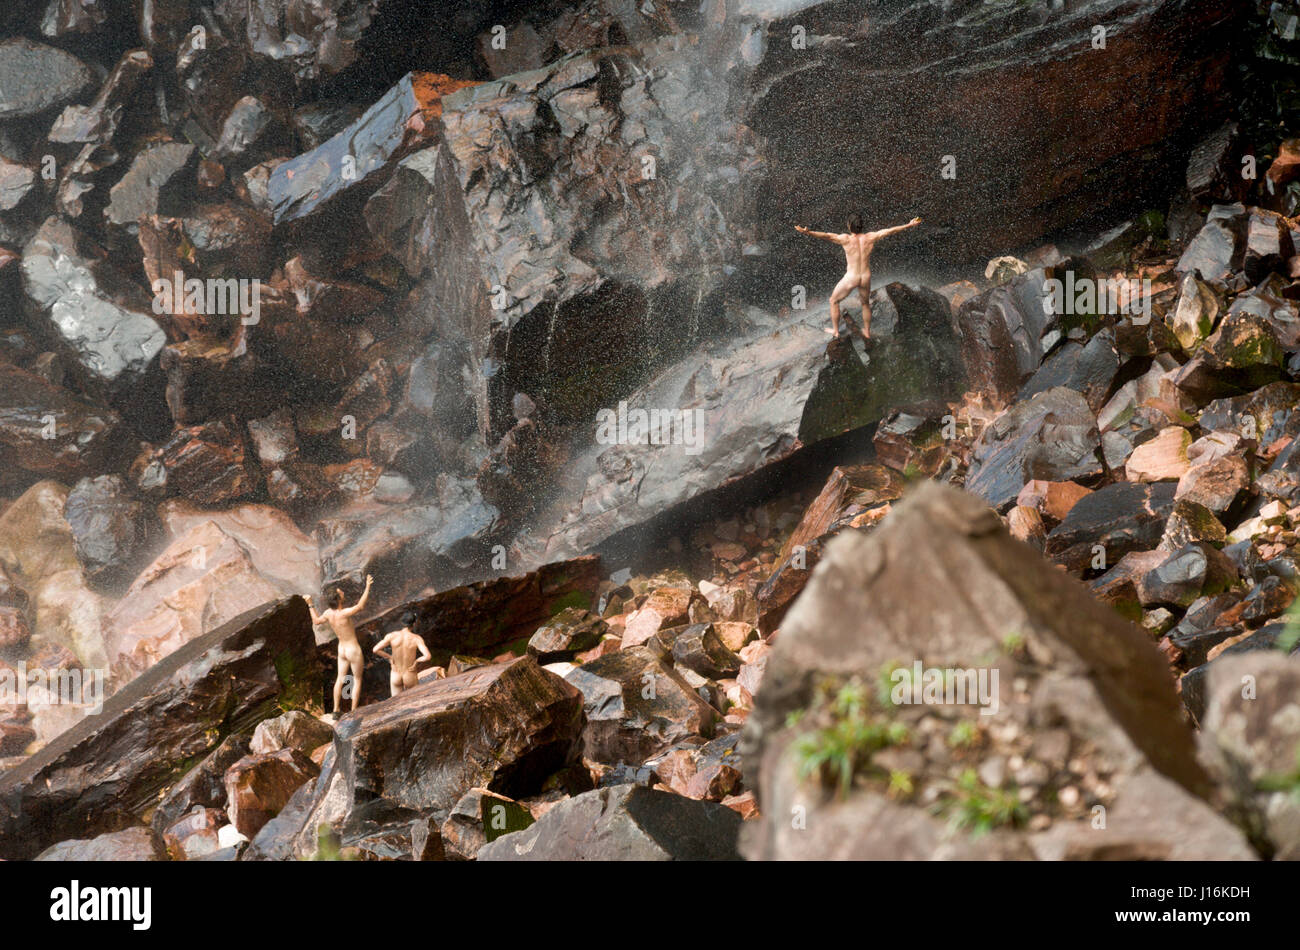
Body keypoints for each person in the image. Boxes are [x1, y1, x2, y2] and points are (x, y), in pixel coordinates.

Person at [795, 214, 922, 339]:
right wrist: (909, 225)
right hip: (865, 276)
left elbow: (827, 236)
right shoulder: (870, 237)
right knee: (865, 304)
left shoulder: (845, 239)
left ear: (849, 226)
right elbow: (889, 231)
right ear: (862, 226)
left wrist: (809, 232)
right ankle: (866, 331)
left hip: (851, 277)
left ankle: (836, 331)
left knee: (833, 301)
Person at [305, 574, 373, 717]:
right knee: (357, 679)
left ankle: (336, 710)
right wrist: (367, 586)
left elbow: (316, 621)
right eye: (340, 592)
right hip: (352, 649)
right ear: (338, 599)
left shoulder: (328, 613)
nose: (342, 592)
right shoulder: (344, 613)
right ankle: (353, 711)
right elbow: (360, 606)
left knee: (341, 678)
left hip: (341, 649)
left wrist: (310, 604)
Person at [372, 612, 433, 697]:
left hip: (396, 673)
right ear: (414, 624)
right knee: (414, 700)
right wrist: (416, 662)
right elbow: (427, 656)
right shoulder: (416, 639)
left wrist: (390, 658)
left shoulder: (392, 636)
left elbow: (375, 650)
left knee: (396, 702)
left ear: (402, 622)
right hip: (409, 674)